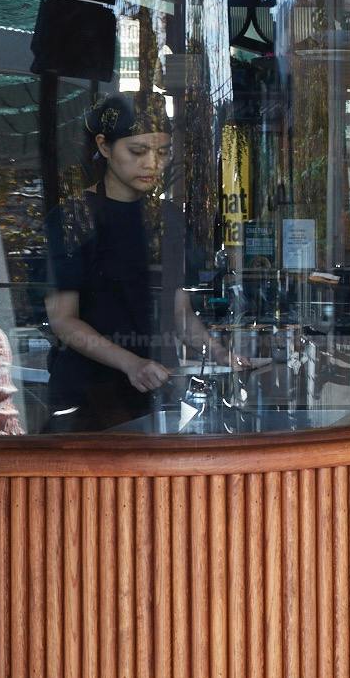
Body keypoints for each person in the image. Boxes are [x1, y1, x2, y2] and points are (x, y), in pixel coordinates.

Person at [43, 93, 227, 431]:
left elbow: (180, 312)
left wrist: (220, 355)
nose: (152, 164)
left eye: (162, 152)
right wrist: (131, 363)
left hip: (156, 388)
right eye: (138, 151)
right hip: (87, 393)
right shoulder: (73, 217)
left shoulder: (169, 219)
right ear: (104, 146)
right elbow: (63, 320)